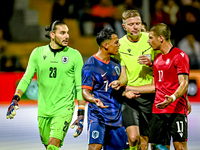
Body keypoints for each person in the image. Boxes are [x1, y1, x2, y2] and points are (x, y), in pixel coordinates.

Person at [6, 20, 86, 150]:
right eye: (63, 33)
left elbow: (79, 85)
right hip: (44, 110)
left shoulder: (74, 55)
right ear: (53, 35)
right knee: (48, 145)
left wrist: (81, 113)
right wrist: (16, 98)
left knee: (52, 145)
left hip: (64, 108)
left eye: (67, 33)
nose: (67, 36)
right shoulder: (37, 53)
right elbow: (26, 78)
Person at [125, 23, 190, 150]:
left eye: (150, 38)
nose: (148, 41)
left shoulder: (179, 56)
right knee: (158, 147)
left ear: (160, 38)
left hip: (176, 110)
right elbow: (156, 86)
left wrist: (173, 98)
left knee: (179, 146)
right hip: (158, 110)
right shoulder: (158, 59)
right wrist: (128, 88)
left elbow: (184, 83)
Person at [109, 10, 161, 150]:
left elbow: (163, 63)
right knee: (133, 138)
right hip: (130, 97)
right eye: (131, 24)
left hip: (150, 96)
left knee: (145, 142)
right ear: (124, 26)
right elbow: (123, 73)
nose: (135, 27)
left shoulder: (150, 39)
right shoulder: (119, 45)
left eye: (138, 23)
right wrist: (120, 83)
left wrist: (152, 64)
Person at [81, 28, 140, 150]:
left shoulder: (116, 64)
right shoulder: (90, 66)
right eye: (116, 42)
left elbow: (115, 89)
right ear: (106, 45)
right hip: (98, 116)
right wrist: (94, 100)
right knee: (94, 147)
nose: (119, 45)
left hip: (116, 117)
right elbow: (85, 92)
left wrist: (125, 94)